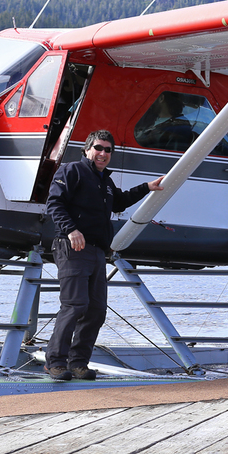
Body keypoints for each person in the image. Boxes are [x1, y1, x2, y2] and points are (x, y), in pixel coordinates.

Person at [45, 130, 164, 381]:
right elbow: (54, 204)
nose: (103, 153)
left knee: (97, 310)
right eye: (98, 148)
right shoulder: (72, 171)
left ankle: (78, 363)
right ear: (87, 149)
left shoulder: (105, 182)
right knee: (75, 305)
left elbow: (119, 202)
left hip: (98, 251)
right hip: (73, 248)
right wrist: (71, 230)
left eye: (108, 150)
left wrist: (147, 187)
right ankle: (55, 362)